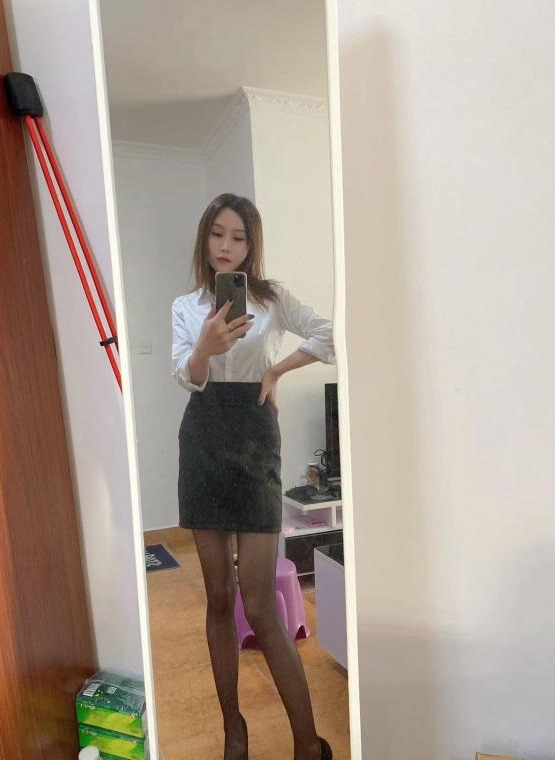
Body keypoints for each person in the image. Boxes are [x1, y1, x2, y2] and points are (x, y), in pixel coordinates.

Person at [171, 193, 335, 760]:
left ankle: (307, 742)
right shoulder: (187, 306)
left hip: (256, 440)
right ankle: (233, 729)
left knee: (260, 602)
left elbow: (329, 334)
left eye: (238, 237)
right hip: (203, 442)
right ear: (205, 237)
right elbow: (187, 378)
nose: (226, 246)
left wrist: (277, 369)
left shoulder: (270, 299)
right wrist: (205, 346)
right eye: (217, 233)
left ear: (251, 244)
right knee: (219, 596)